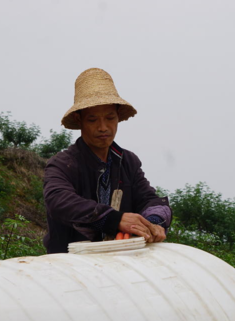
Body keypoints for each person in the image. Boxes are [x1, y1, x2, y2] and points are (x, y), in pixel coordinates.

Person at [43, 68, 172, 253]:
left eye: (110, 118)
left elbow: (150, 200)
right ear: (79, 120)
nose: (103, 127)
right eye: (93, 119)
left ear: (118, 116)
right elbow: (57, 200)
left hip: (118, 265)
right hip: (70, 266)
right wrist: (114, 219)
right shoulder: (63, 164)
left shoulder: (128, 162)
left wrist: (151, 222)